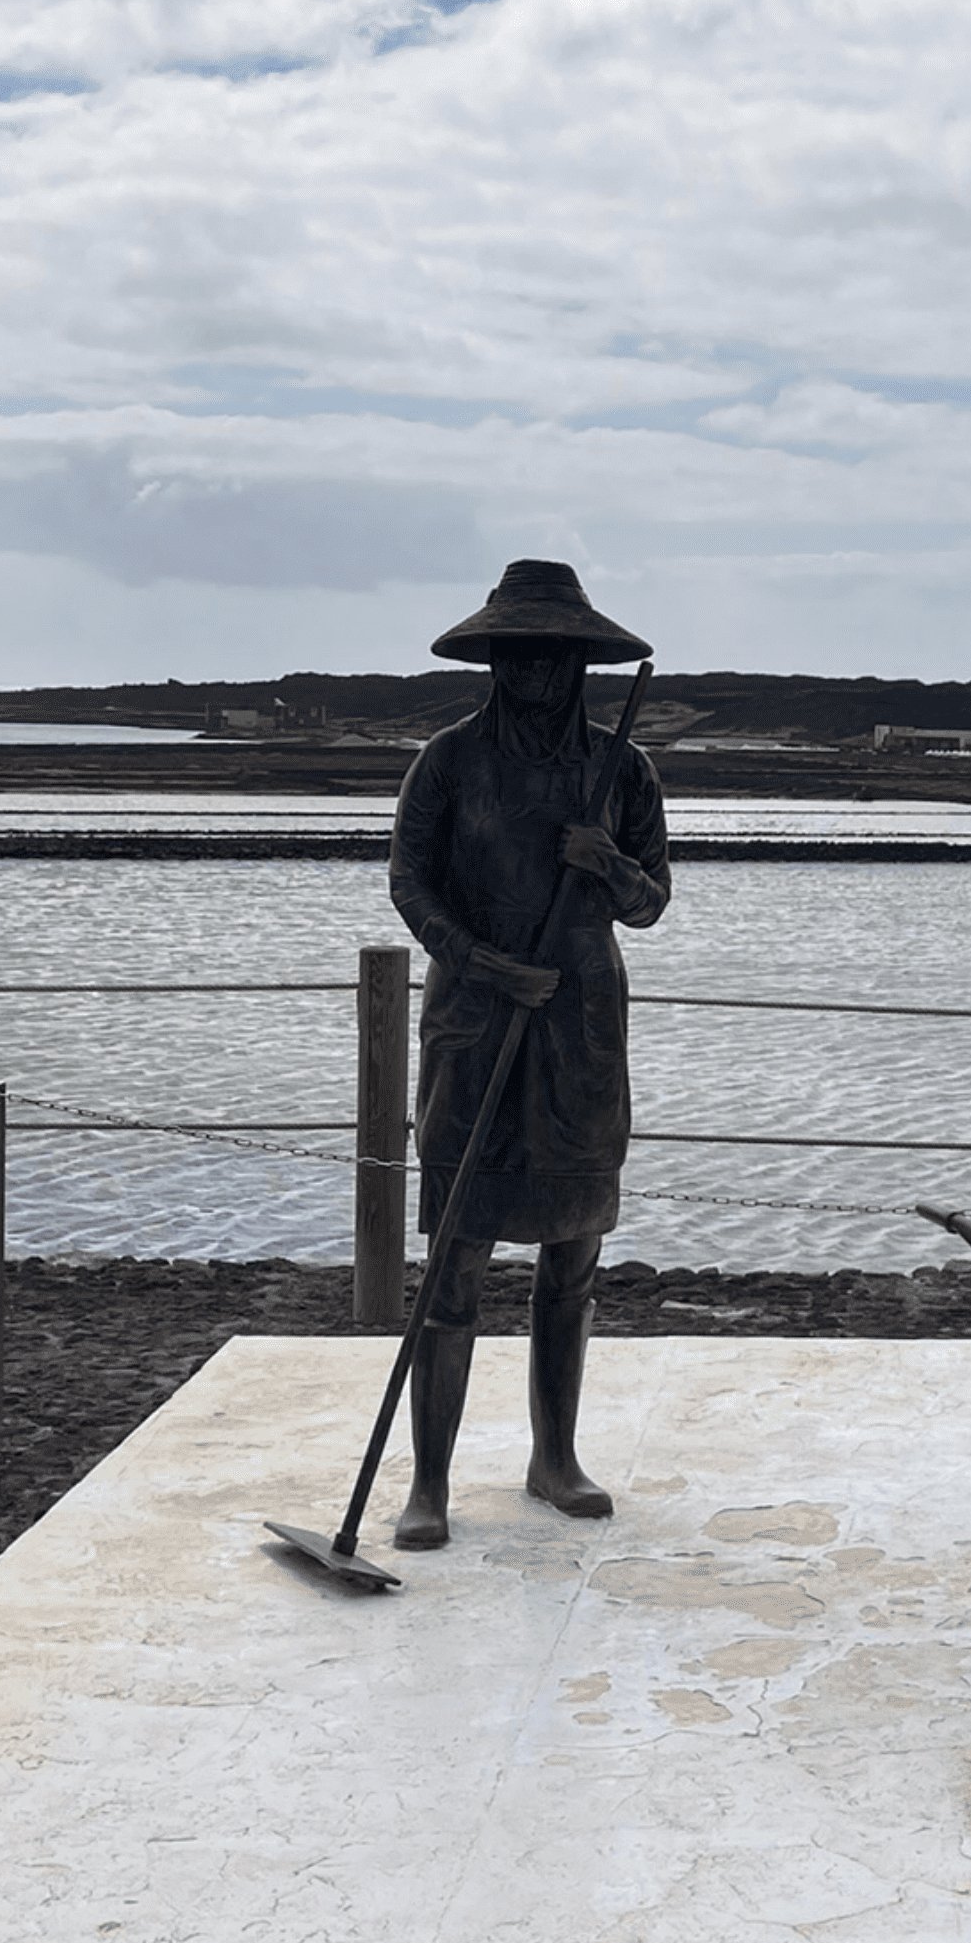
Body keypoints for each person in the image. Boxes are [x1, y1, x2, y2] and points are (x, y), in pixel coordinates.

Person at [385, 560, 671, 1549]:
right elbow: (409, 886)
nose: (539, 676)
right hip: (477, 1019)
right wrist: (486, 963)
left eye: (556, 658)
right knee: (455, 1255)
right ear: (497, 662)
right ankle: (429, 1483)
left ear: (582, 665)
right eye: (522, 657)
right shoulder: (449, 762)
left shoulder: (621, 771)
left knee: (573, 1252)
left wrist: (610, 863)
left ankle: (555, 1461)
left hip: (582, 1026)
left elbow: (654, 903)